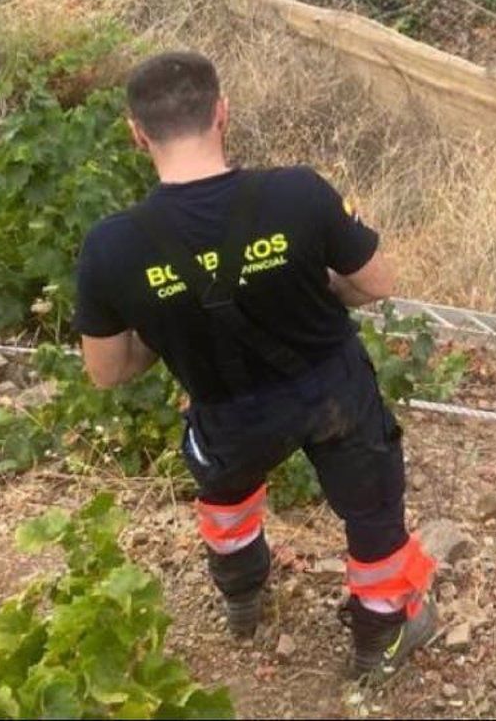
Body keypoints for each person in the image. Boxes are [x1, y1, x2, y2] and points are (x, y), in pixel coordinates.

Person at [74, 50, 438, 677]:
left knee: (229, 502)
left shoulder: (111, 246)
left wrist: (177, 313)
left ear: (137, 134)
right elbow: (375, 282)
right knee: (372, 509)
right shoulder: (298, 193)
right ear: (222, 112)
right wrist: (311, 286)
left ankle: (242, 596)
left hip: (225, 409)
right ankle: (381, 631)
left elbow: (109, 370)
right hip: (333, 394)